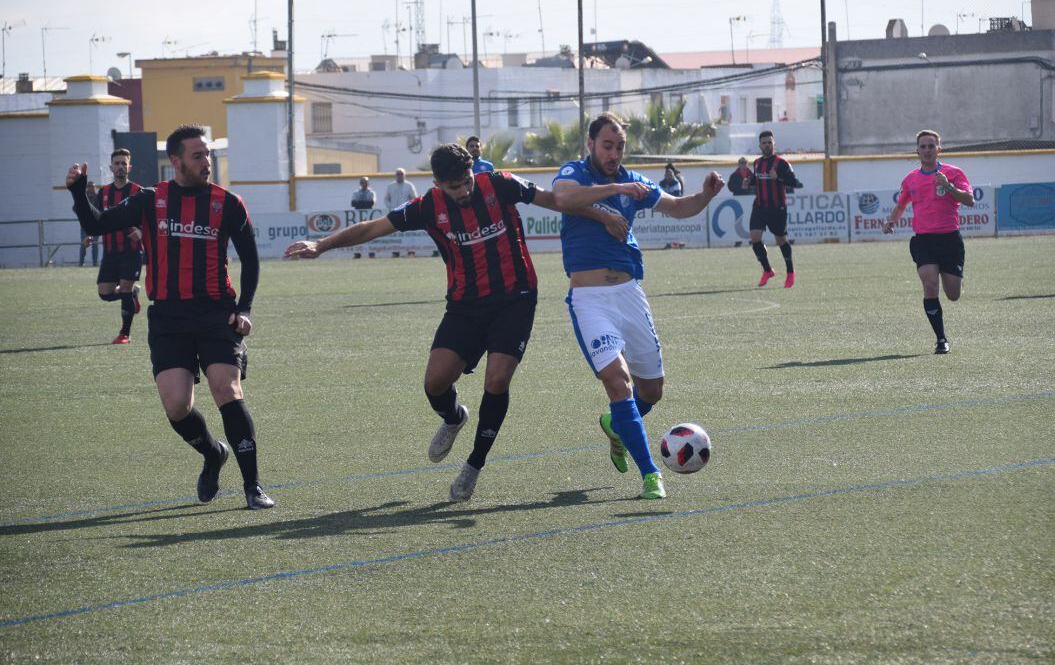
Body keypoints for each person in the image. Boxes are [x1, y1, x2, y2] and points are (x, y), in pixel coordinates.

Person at [284, 143, 627, 502]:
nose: (464, 191)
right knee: (434, 383)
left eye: (466, 182)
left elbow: (556, 200)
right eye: (454, 187)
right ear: (437, 184)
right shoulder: (428, 206)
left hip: (516, 299)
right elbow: (372, 229)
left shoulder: (500, 184)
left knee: (496, 379)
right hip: (465, 306)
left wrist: (603, 215)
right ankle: (453, 417)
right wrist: (321, 245)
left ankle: (474, 464)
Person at [66, 124, 273, 510]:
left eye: (208, 154)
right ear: (175, 161)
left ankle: (253, 486)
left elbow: (251, 258)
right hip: (169, 319)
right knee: (176, 404)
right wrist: (79, 192)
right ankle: (213, 454)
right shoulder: (149, 200)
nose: (206, 161)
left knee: (226, 389)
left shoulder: (228, 202)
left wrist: (244, 308)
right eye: (198, 155)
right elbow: (95, 224)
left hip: (215, 314)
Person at [552, 112, 725, 500]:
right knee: (618, 381)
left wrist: (705, 195)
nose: (614, 153)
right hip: (590, 300)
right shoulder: (576, 173)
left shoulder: (634, 181)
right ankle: (650, 475)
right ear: (591, 145)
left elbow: (678, 207)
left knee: (652, 390)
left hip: (629, 294)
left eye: (620, 147)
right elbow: (562, 197)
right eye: (607, 146)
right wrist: (613, 191)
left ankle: (616, 426)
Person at [883, 129, 974, 355]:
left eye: (931, 146)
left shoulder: (954, 173)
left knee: (953, 294)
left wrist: (950, 186)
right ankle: (941, 338)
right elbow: (902, 203)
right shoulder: (911, 178)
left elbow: (970, 200)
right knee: (930, 284)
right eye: (923, 146)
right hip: (924, 240)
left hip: (950, 239)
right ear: (917, 151)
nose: (927, 150)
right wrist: (891, 221)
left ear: (939, 149)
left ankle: (957, 279)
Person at [89, 148, 144, 344]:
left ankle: (125, 334)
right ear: (111, 167)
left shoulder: (138, 192)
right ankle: (134, 292)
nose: (120, 166)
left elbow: (150, 218)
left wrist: (141, 231)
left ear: (130, 167)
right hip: (110, 251)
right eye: (117, 163)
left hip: (131, 251)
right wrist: (90, 235)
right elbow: (95, 218)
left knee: (125, 290)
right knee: (104, 293)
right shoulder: (103, 192)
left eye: (124, 163)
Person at [749, 130, 802, 288]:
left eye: (769, 142)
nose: (767, 145)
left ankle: (790, 272)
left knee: (781, 240)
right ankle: (767, 270)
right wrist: (748, 182)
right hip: (759, 206)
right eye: (764, 143)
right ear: (760, 145)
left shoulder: (782, 163)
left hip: (777, 208)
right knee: (755, 238)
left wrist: (777, 177)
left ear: (774, 144)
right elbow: (757, 180)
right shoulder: (757, 163)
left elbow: (795, 182)